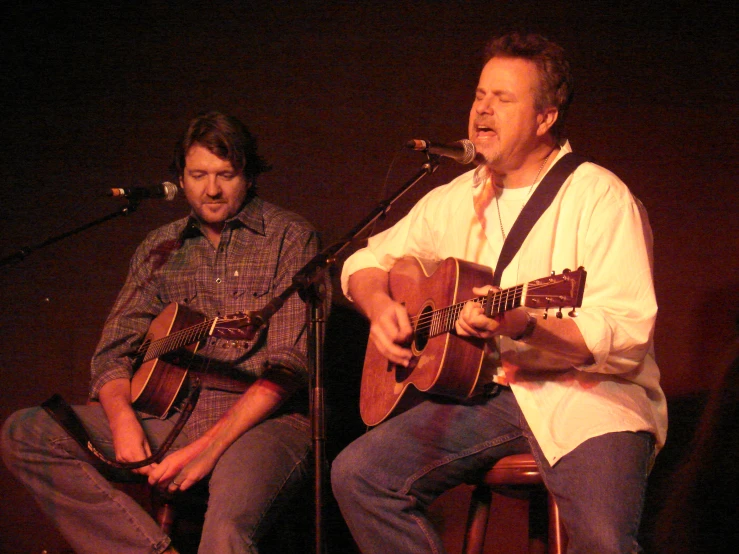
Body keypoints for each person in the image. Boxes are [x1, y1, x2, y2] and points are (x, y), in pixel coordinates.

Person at [331, 33, 667, 553]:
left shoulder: (600, 197)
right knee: (358, 475)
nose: (482, 110)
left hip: (588, 398)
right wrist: (380, 307)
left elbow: (623, 332)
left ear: (545, 117)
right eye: (480, 95)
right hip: (486, 396)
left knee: (603, 540)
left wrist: (528, 324)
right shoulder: (453, 197)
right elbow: (365, 261)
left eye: (503, 99)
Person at [2, 111, 325, 554]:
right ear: (180, 178)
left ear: (248, 176)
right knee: (27, 430)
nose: (211, 189)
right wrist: (122, 419)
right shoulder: (159, 247)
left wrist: (210, 449)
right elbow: (112, 351)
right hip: (171, 414)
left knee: (226, 530)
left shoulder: (290, 237)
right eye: (198, 175)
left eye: (225, 175)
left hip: (264, 422)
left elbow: (291, 364)